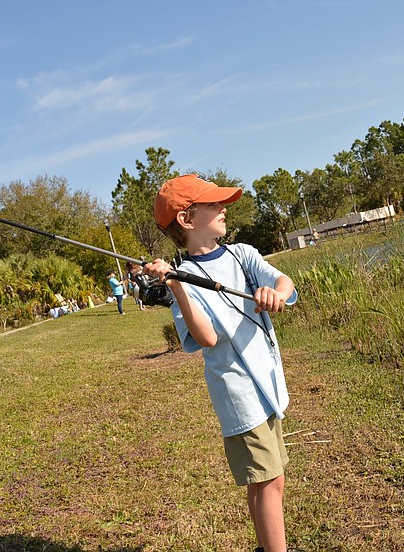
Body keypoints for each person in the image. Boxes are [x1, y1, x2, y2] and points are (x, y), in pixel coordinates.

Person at [144, 174, 297, 552]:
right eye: (213, 204)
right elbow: (207, 337)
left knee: (268, 481)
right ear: (187, 219)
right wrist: (177, 286)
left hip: (269, 382)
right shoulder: (183, 278)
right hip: (239, 393)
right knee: (268, 481)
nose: (223, 208)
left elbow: (284, 282)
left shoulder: (241, 254)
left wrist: (273, 293)